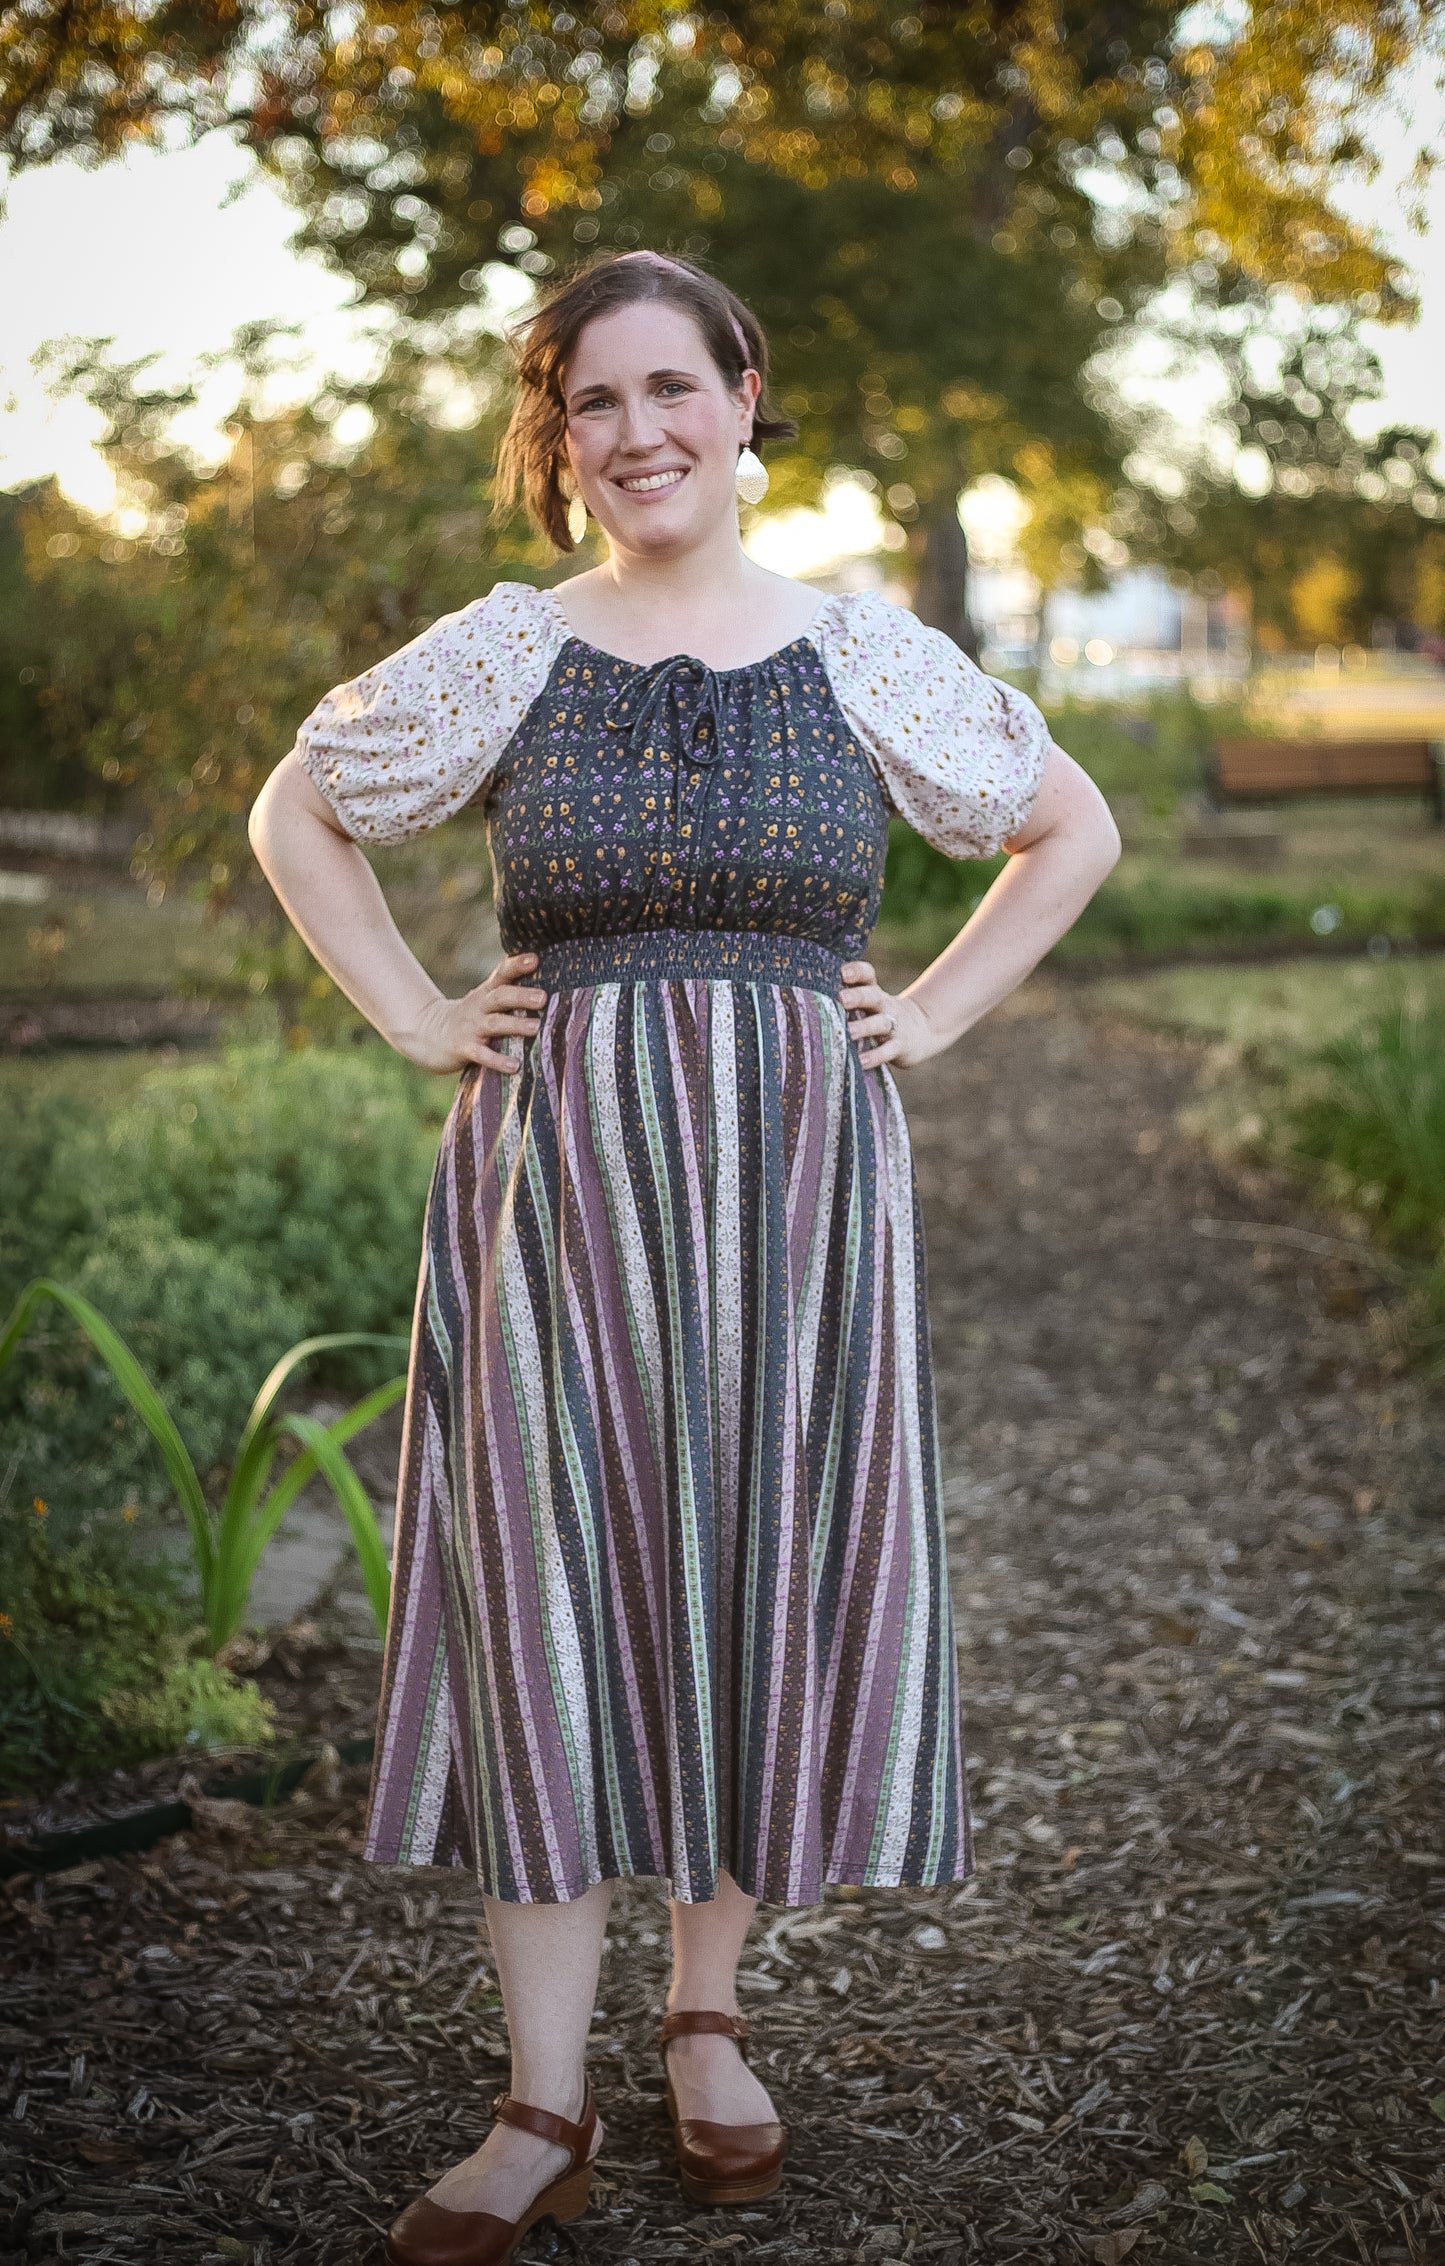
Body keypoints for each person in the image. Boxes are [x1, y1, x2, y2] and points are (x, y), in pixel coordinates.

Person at [248, 248, 1120, 2266]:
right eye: (592, 402)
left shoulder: (864, 655)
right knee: (544, 1577)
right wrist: (404, 1011)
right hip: (554, 1172)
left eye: (671, 388)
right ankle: (538, 2094)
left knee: (754, 1560)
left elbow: (1063, 829)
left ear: (744, 399)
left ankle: (707, 2015)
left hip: (800, 1177)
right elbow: (302, 816)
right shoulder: (506, 652)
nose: (636, 431)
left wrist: (948, 1010)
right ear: (559, 440)